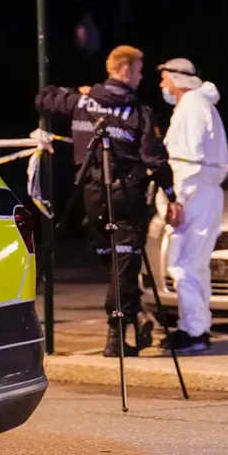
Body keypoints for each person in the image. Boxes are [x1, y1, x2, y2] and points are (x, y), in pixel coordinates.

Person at [34, 45, 181, 357]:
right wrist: (171, 197)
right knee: (124, 266)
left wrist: (79, 91)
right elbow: (154, 159)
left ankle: (135, 314)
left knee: (114, 263)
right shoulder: (139, 113)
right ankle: (116, 337)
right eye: (140, 71)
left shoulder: (83, 101)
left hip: (90, 195)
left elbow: (43, 97)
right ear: (125, 70)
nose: (141, 78)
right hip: (126, 195)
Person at [155, 58, 228, 355]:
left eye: (164, 80)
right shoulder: (198, 106)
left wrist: (177, 200)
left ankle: (195, 331)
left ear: (178, 79)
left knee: (183, 265)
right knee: (194, 265)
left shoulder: (190, 109)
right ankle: (192, 326)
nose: (162, 86)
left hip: (194, 194)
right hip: (203, 194)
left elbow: (187, 160)